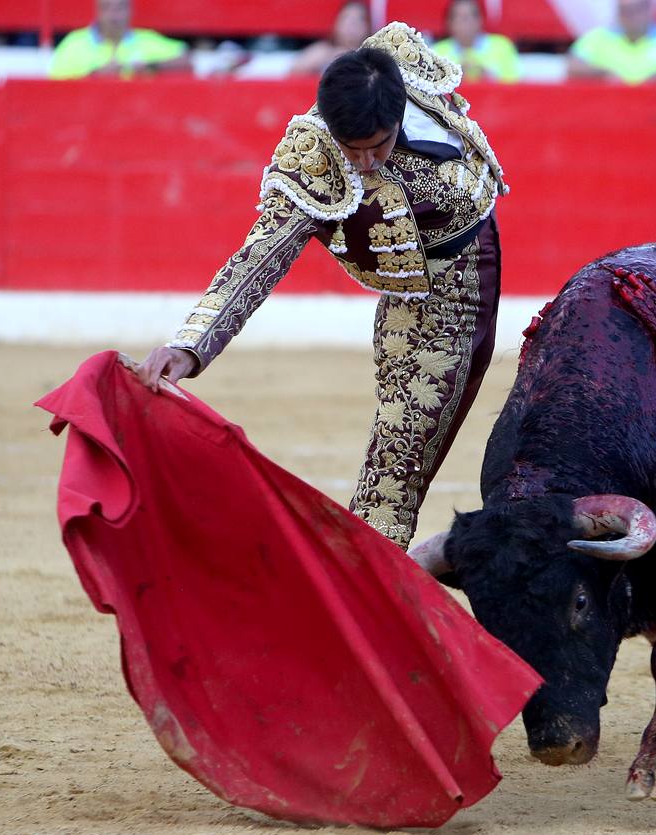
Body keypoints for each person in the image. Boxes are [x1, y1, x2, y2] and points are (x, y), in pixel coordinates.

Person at [136, 23, 508, 550]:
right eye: (349, 149)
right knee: (394, 469)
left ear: (397, 114)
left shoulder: (400, 67)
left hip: (472, 276)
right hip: (422, 301)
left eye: (375, 148)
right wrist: (189, 347)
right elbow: (258, 259)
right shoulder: (313, 157)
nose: (362, 163)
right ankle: (360, 598)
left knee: (401, 456)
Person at [566, 0, 656, 85]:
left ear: (649, 8)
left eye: (636, 9)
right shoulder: (598, 38)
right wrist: (605, 74)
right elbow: (573, 65)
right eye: (624, 11)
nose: (630, 16)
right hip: (608, 112)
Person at [50, 0, 189, 79]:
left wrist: (150, 67)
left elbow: (187, 61)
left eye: (119, 8)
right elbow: (55, 88)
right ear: (98, 11)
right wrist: (94, 77)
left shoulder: (147, 40)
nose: (113, 15)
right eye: (107, 8)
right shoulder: (74, 43)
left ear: (130, 10)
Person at [432, 0, 520, 83]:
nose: (465, 23)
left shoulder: (502, 46)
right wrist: (456, 77)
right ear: (448, 22)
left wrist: (487, 76)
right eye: (459, 18)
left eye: (469, 17)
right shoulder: (436, 52)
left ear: (480, 20)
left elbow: (515, 85)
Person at [290, 1, 372, 77]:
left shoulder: (372, 58)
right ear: (337, 23)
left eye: (358, 20)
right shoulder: (321, 51)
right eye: (347, 18)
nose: (352, 25)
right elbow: (293, 74)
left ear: (368, 27)